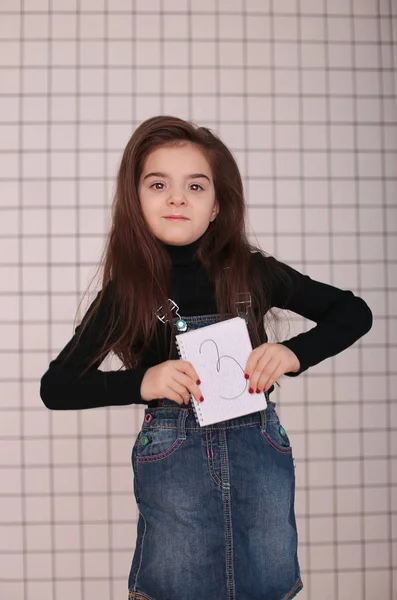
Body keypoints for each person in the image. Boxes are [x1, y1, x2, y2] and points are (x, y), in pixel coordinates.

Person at [40, 115, 373, 600]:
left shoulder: (254, 272)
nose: (177, 197)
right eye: (159, 184)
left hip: (259, 457)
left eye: (195, 186)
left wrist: (291, 353)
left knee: (264, 581)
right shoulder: (127, 292)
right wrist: (142, 382)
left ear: (216, 206)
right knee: (177, 583)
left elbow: (354, 312)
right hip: (174, 461)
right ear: (136, 200)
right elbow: (58, 387)